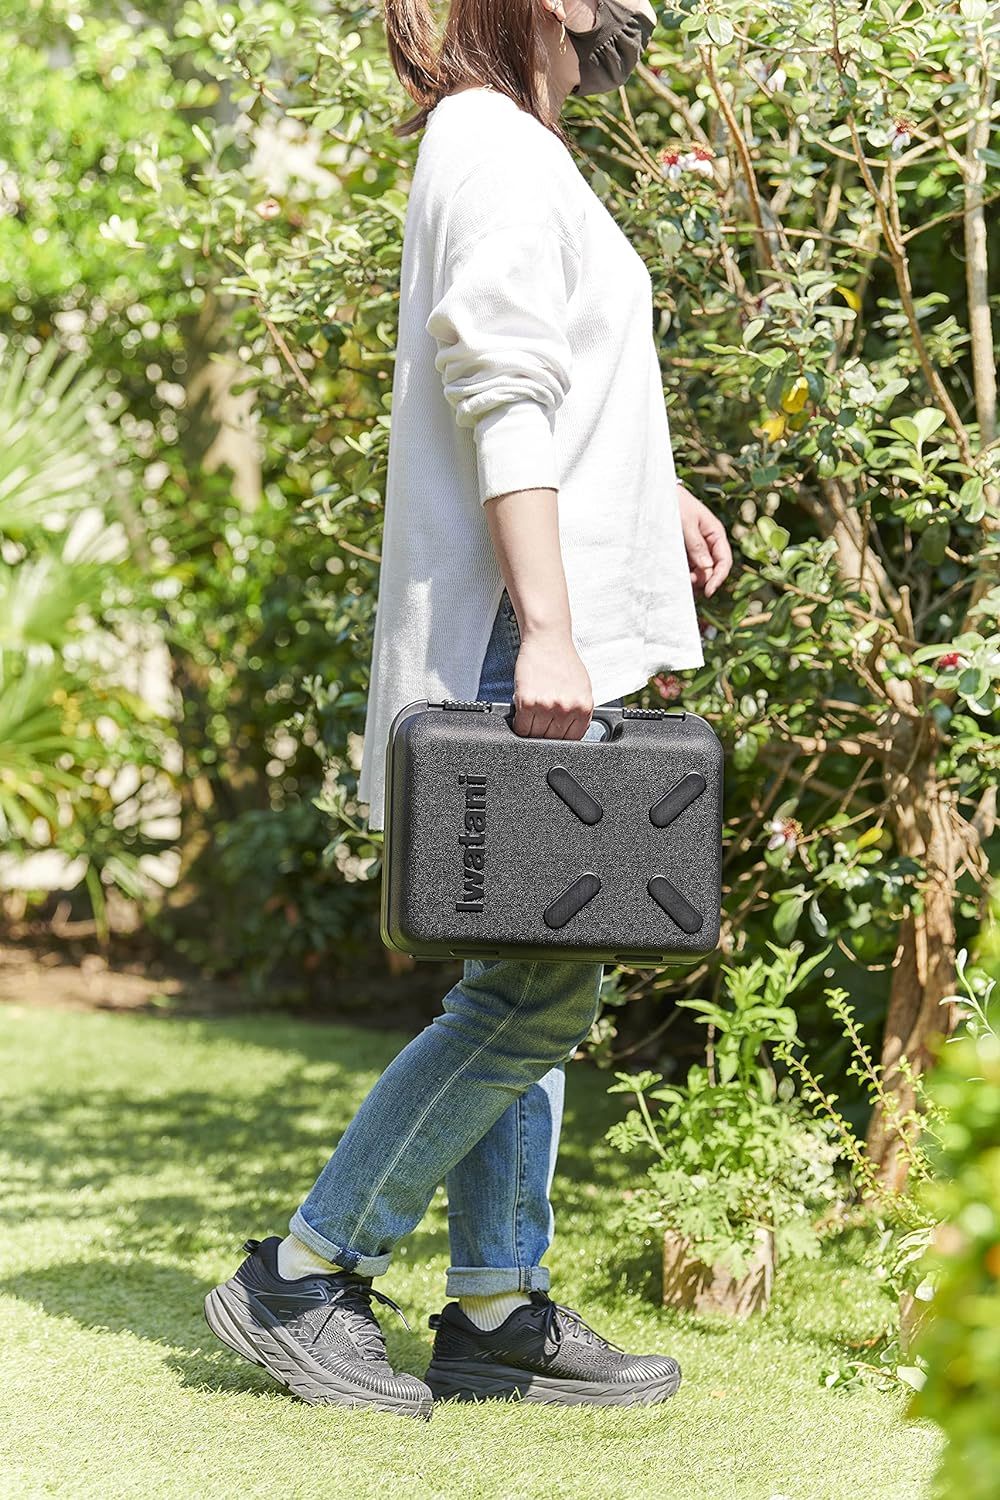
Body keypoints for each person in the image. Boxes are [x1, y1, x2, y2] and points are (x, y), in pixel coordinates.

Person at [204, 0, 732, 1420]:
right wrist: (551, 625)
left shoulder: (511, 142)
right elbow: (498, 387)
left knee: (535, 975)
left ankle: (496, 1304)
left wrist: (651, 489)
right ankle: (305, 1272)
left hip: (530, 624)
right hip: (517, 636)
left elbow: (557, 388)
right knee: (538, 991)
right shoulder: (493, 142)